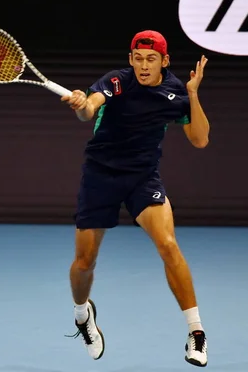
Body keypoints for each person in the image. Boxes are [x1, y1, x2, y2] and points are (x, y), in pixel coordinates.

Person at [61, 30, 210, 367]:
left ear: (164, 61)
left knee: (168, 245)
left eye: (151, 59)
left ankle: (196, 331)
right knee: (84, 263)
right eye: (138, 59)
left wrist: (193, 94)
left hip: (143, 177)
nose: (144, 66)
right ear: (131, 59)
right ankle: (82, 314)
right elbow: (90, 110)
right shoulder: (116, 81)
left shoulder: (175, 91)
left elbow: (200, 140)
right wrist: (82, 104)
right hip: (100, 175)